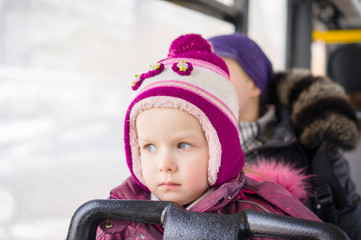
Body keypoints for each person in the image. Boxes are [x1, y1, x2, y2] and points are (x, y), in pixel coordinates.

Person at [95, 34, 321, 239]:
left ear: (219, 152)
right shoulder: (118, 218)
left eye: (183, 145)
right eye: (149, 147)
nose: (164, 165)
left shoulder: (263, 220)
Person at [208, 32, 361, 240]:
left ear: (254, 84)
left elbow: (347, 219)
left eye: (216, 69)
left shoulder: (315, 147)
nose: (205, 80)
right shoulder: (178, 142)